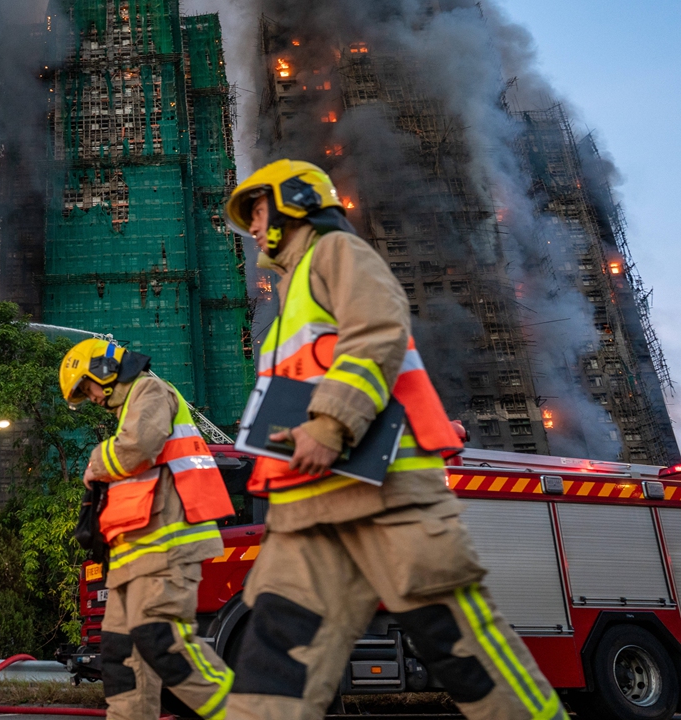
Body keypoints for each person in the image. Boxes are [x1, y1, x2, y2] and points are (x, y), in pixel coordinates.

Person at [221, 159, 565, 720]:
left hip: (389, 494)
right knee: (274, 661)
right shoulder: (290, 294)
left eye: (257, 212)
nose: (253, 228)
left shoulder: (337, 253)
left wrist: (331, 423)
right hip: (309, 508)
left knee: (459, 647)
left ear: (294, 201)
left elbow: (378, 329)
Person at [60, 338, 236, 720]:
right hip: (133, 561)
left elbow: (139, 446)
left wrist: (95, 463)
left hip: (165, 551)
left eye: (86, 388)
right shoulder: (129, 411)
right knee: (122, 664)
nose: (90, 397)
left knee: (164, 645)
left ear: (102, 371)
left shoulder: (150, 390)